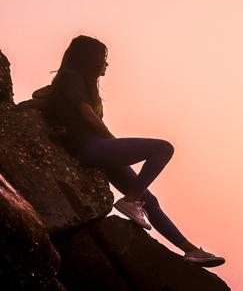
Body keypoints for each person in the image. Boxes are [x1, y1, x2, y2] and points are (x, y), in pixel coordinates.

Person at [40, 35, 224, 267]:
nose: (106, 64)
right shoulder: (70, 79)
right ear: (89, 59)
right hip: (90, 148)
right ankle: (131, 200)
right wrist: (112, 141)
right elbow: (85, 115)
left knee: (150, 200)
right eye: (103, 58)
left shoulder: (83, 86)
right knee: (163, 148)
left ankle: (190, 251)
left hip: (98, 150)